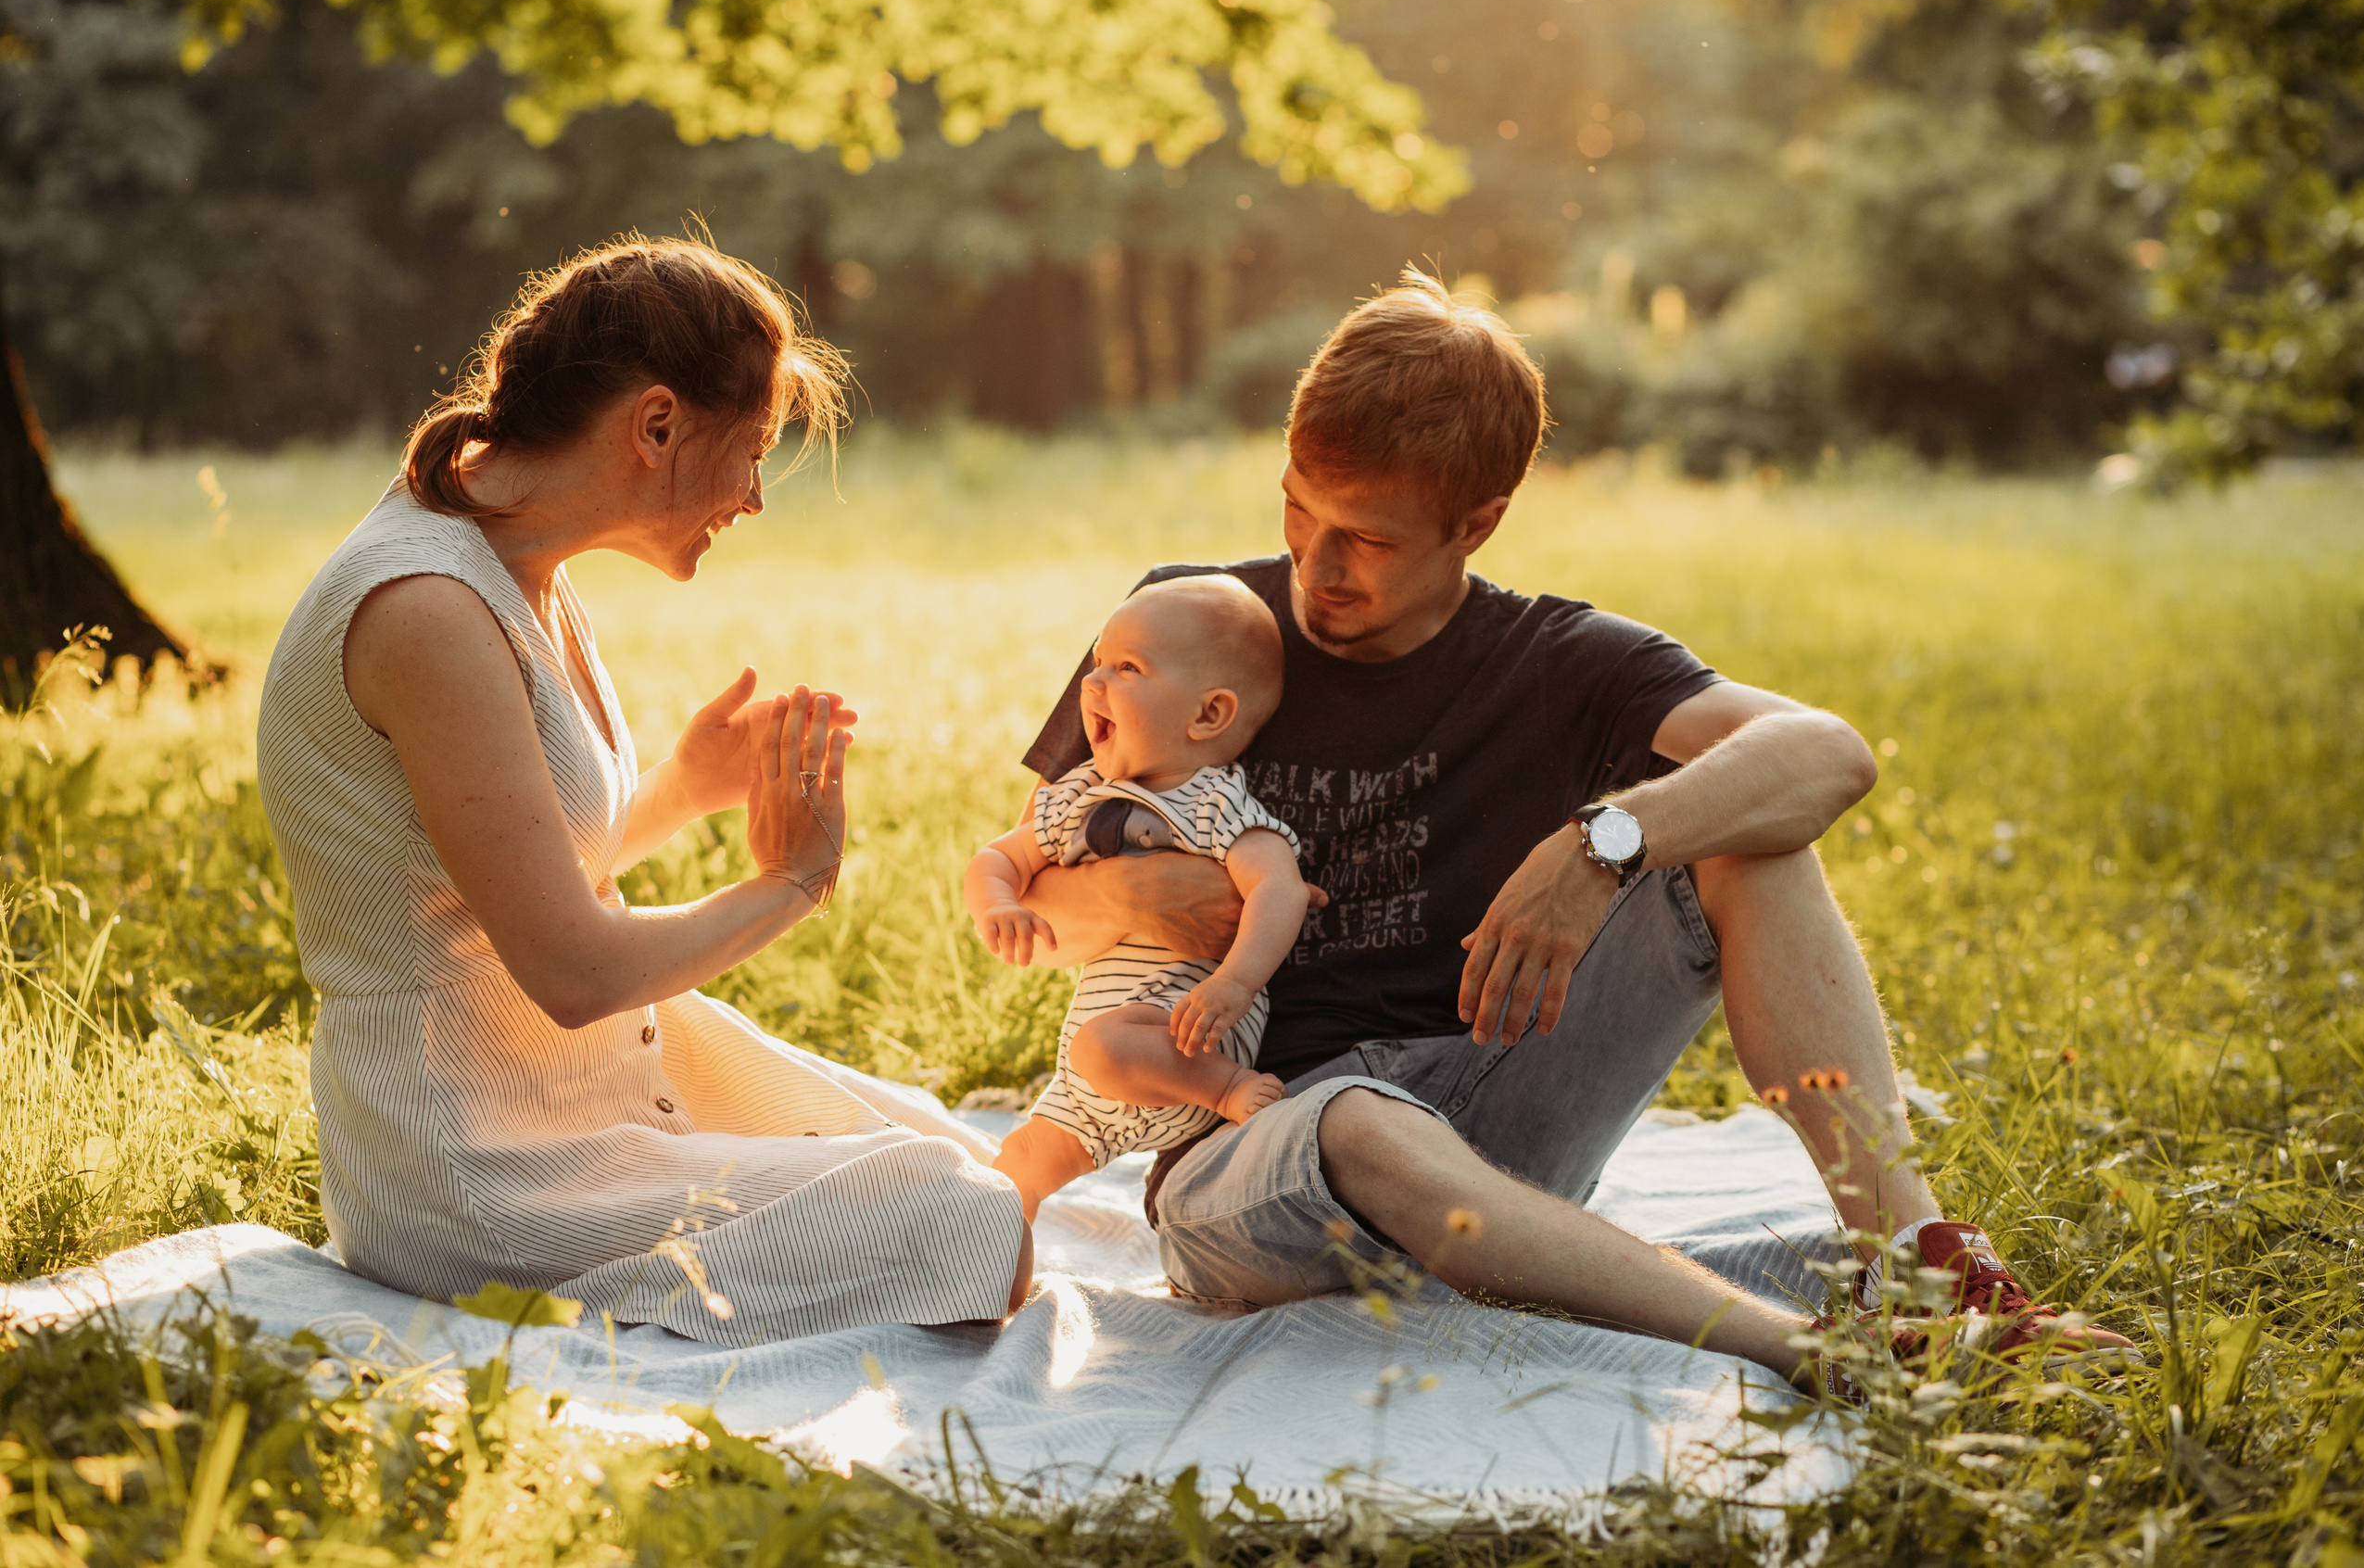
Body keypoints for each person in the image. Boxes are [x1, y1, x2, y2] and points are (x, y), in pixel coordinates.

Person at [1013, 269, 2136, 1393]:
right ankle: (1803, 1353)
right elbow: (1028, 903)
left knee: (1747, 826)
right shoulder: (1193, 625)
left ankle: (1926, 1273)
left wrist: (1605, 841)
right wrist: (1139, 900)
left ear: (1477, 522)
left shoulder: (1562, 661)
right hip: (1256, 1162)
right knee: (1351, 1118)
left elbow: (1826, 753)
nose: (1315, 564)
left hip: (1496, 1115)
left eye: (1368, 538)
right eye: (1297, 507)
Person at [256, 236, 1030, 1344]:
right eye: (753, 451)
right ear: (657, 424)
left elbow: (505, 867)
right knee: (970, 1226)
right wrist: (793, 880)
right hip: (479, 1165)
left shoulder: (522, 567)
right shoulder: (425, 608)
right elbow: (571, 969)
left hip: (598, 1086)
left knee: (974, 1163)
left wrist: (682, 784)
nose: (757, 497)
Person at [966, 576, 1305, 1220]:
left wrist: (1235, 982)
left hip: (1189, 1039)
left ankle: (1231, 1090)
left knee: (1104, 1045)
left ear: (1208, 714)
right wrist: (997, 903)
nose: (1093, 683)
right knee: (1014, 1173)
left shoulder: (1214, 802)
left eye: (1127, 668)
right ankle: (989, 1294)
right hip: (1094, 1087)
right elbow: (998, 856)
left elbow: (1280, 887)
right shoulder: (1079, 793)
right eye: (1098, 662)